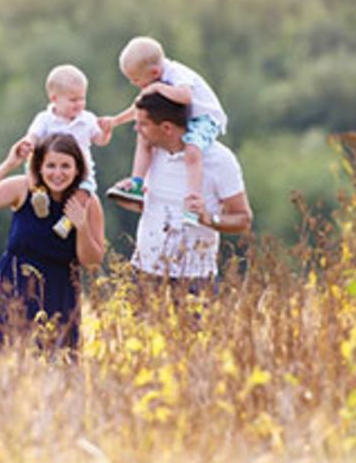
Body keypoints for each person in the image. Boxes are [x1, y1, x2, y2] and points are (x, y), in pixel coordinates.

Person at [0, 133, 106, 349]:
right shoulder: (24, 188)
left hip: (59, 295)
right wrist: (9, 164)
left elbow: (92, 262)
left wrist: (82, 226)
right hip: (13, 288)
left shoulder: (87, 202)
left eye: (66, 166)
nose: (58, 173)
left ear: (78, 169)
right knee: (2, 360)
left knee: (56, 366)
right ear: (39, 167)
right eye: (51, 166)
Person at [108, 92, 251, 285]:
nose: (136, 129)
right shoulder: (151, 154)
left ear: (166, 128)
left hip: (196, 278)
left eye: (143, 124)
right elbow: (153, 208)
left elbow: (242, 218)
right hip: (144, 273)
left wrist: (209, 219)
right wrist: (126, 194)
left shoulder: (220, 160)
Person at [100, 37, 228, 223]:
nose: (134, 83)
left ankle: (193, 199)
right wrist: (115, 121)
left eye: (135, 79)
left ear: (154, 72)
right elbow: (140, 107)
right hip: (182, 117)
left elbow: (185, 96)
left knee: (192, 149)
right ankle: (137, 181)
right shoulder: (155, 80)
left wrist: (158, 88)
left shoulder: (176, 74)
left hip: (204, 118)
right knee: (144, 134)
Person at [21, 64, 113, 195]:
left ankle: (74, 211)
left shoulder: (87, 119)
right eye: (73, 100)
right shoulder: (45, 119)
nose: (79, 104)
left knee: (84, 192)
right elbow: (33, 136)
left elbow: (100, 140)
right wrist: (28, 143)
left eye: (82, 98)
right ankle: (38, 194)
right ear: (54, 99)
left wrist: (106, 131)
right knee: (31, 165)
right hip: (49, 169)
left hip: (80, 172)